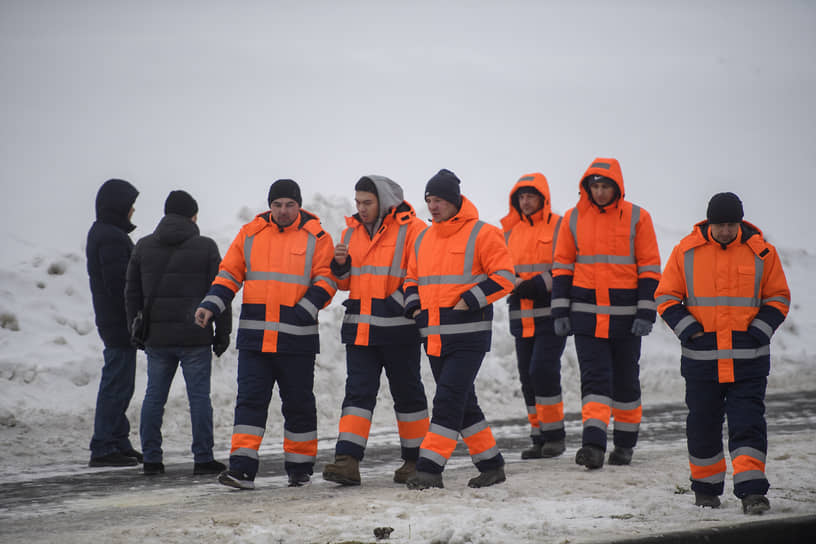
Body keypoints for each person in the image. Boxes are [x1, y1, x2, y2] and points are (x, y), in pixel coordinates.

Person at [195, 179, 336, 490]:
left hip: (296, 339)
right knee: (249, 402)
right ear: (269, 206)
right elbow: (230, 273)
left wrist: (306, 308)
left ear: (299, 206)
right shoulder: (250, 234)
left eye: (289, 205)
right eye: (277, 204)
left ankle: (300, 469)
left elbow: (327, 279)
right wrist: (211, 305)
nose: (283, 211)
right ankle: (242, 469)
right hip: (255, 340)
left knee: (298, 404)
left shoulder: (318, 238)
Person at [654, 192, 790, 514]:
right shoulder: (685, 252)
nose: (726, 230)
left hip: (749, 363)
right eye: (720, 224)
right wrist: (690, 332)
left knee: (748, 425)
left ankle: (752, 492)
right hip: (702, 363)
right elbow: (666, 297)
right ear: (709, 223)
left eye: (731, 224)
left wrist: (758, 331)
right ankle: (706, 490)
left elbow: (779, 298)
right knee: (703, 425)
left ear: (740, 223)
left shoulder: (762, 253)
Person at [402, 168, 515, 489]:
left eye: (438, 200)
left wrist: (471, 298)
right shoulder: (423, 237)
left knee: (448, 401)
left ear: (454, 200)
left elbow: (505, 276)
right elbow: (411, 278)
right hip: (434, 337)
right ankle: (492, 465)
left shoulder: (483, 233)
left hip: (469, 338)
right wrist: (413, 306)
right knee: (464, 404)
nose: (432, 206)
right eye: (428, 200)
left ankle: (429, 468)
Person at [551, 158, 661, 469]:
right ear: (587, 187)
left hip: (627, 318)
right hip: (586, 315)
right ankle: (594, 445)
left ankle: (625, 444)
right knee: (594, 379)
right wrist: (560, 309)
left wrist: (646, 311)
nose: (599, 192)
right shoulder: (572, 218)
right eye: (594, 186)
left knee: (626, 382)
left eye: (605, 186)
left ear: (617, 187)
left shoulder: (638, 218)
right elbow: (562, 265)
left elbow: (650, 267)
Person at [322, 175, 429, 486]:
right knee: (357, 395)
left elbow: (419, 275)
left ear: (384, 201)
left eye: (367, 202)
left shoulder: (414, 230)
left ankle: (416, 461)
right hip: (361, 332)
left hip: (400, 330)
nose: (361, 208)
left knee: (408, 395)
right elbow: (346, 284)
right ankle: (347, 462)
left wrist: (394, 304)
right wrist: (340, 268)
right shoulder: (350, 231)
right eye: (357, 202)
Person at [125, 190, 231, 476]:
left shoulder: (143, 247)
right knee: (199, 398)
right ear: (193, 216)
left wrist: (135, 328)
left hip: (157, 339)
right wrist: (222, 333)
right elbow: (221, 290)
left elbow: (131, 293)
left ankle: (151, 459)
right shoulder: (206, 247)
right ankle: (203, 458)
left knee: (153, 397)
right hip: (195, 336)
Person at [500, 173, 568, 459]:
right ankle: (538, 435)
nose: (525, 202)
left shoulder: (560, 226)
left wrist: (538, 284)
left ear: (543, 198)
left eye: (531, 196)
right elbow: (500, 267)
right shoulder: (508, 231)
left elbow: (566, 266)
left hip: (551, 314)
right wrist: (512, 282)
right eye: (521, 197)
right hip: (520, 315)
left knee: (543, 370)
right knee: (528, 377)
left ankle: (555, 435)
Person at [86, 178, 143, 467]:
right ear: (118, 206)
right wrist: (136, 313)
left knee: (122, 383)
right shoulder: (110, 236)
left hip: (117, 321)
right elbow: (120, 284)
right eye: (129, 204)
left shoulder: (109, 233)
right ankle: (104, 446)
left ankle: (118, 440)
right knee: (117, 383)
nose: (133, 210)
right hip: (118, 322)